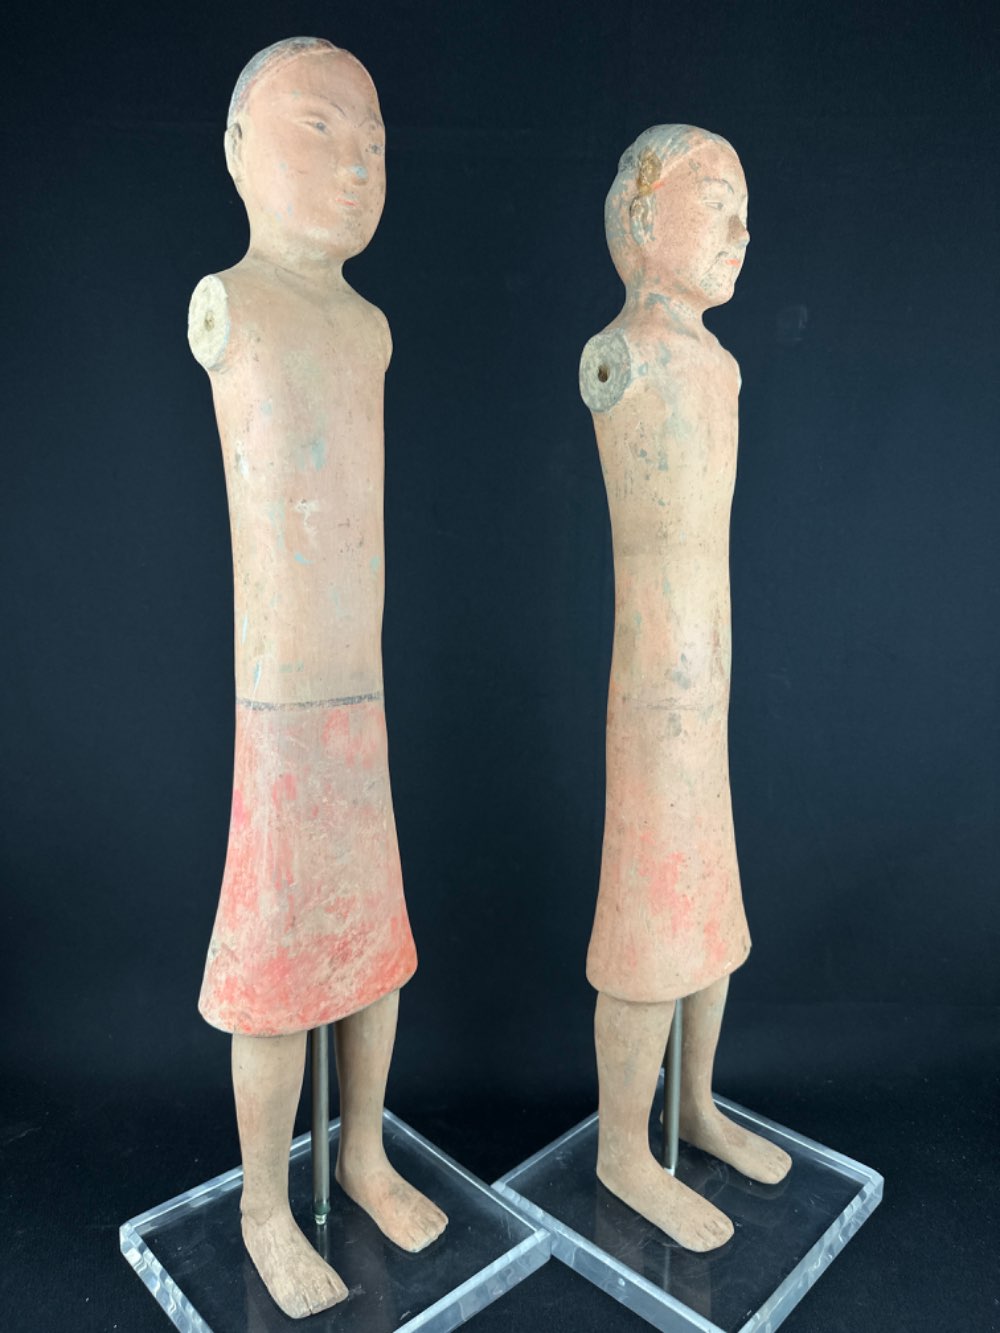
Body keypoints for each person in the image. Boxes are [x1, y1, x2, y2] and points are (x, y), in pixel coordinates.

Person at [187, 37, 446, 1318]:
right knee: (278, 961)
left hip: (360, 691)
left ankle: (361, 1152)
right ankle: (260, 1201)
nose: (357, 164)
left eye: (375, 143)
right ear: (238, 152)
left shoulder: (369, 328)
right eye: (321, 130)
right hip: (283, 700)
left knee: (372, 949)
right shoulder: (230, 302)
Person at [579, 124, 791, 1252]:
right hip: (654, 689)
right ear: (640, 214)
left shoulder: (722, 366)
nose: (739, 230)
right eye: (716, 202)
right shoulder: (623, 353)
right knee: (649, 912)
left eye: (745, 209)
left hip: (707, 683)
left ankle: (695, 1104)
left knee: (708, 904)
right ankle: (625, 1144)